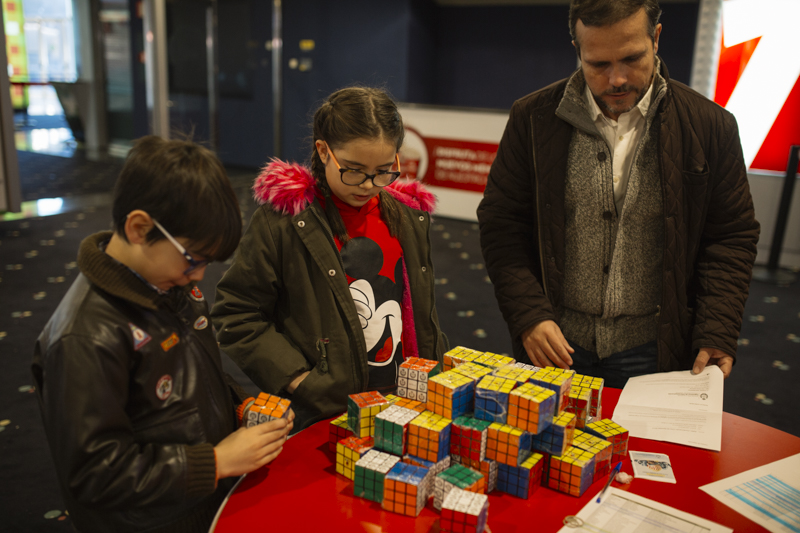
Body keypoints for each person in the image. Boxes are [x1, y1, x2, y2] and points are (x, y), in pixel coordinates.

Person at [477, 0, 759, 389]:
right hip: (556, 343)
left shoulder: (711, 127)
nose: (617, 80)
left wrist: (717, 328)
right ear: (577, 49)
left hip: (655, 348)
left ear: (656, 38)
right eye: (598, 65)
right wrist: (527, 314)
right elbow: (502, 225)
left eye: (631, 58)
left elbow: (730, 237)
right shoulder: (532, 119)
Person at [32, 136, 293, 533]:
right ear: (139, 228)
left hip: (201, 500)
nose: (201, 276)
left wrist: (241, 407)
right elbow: (95, 474)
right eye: (194, 259)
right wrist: (218, 462)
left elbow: (197, 373)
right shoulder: (84, 338)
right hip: (151, 520)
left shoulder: (169, 284)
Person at [212, 87, 448, 431]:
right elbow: (236, 313)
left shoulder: (408, 217)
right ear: (323, 151)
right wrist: (300, 379)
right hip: (325, 409)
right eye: (353, 170)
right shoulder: (284, 222)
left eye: (384, 170)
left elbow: (419, 312)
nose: (368, 184)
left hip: (403, 400)